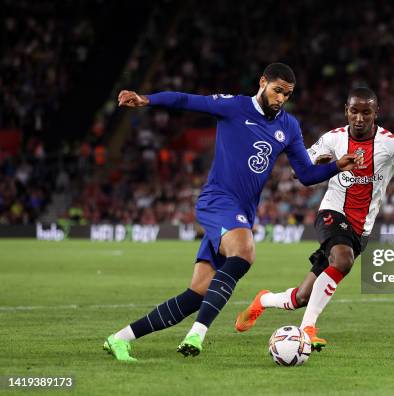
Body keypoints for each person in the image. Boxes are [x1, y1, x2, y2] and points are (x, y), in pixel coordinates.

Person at [103, 63, 361, 361]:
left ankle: (119, 339)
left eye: (287, 94)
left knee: (195, 295)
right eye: (277, 90)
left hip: (241, 213)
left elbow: (304, 174)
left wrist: (335, 167)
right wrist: (148, 99)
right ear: (262, 83)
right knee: (245, 252)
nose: (281, 99)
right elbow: (187, 100)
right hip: (217, 201)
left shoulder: (288, 126)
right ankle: (197, 334)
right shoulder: (234, 107)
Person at [235, 87, 394, 350]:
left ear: (376, 113)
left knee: (301, 297)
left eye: (366, 112)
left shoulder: (391, 144)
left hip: (361, 229)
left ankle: (263, 300)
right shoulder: (332, 139)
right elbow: (298, 173)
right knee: (343, 259)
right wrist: (322, 165)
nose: (359, 118)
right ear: (346, 111)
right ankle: (307, 330)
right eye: (354, 111)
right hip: (332, 212)